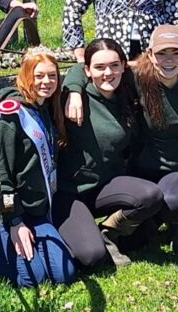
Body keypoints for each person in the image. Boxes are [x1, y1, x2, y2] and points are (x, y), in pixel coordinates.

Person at [54, 39, 165, 268]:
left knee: (150, 196)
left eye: (114, 65)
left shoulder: (125, 93)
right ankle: (78, 233)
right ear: (87, 70)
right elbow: (30, 91)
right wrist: (73, 90)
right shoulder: (73, 97)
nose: (108, 73)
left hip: (105, 186)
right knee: (92, 257)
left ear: (123, 66)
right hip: (70, 192)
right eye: (99, 67)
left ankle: (108, 232)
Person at [0, 48, 76, 287]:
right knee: (31, 279)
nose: (46, 82)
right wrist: (15, 222)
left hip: (39, 212)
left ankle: (34, 246)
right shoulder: (12, 114)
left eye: (52, 76)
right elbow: (3, 174)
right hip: (13, 212)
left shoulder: (47, 107)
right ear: (26, 75)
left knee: (65, 274)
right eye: (39, 76)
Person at [130, 25, 178, 254]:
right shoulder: (136, 78)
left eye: (176, 53)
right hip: (145, 169)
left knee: (171, 199)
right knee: (133, 242)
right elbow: (89, 69)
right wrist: (73, 89)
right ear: (150, 54)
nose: (169, 60)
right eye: (161, 53)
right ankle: (151, 221)